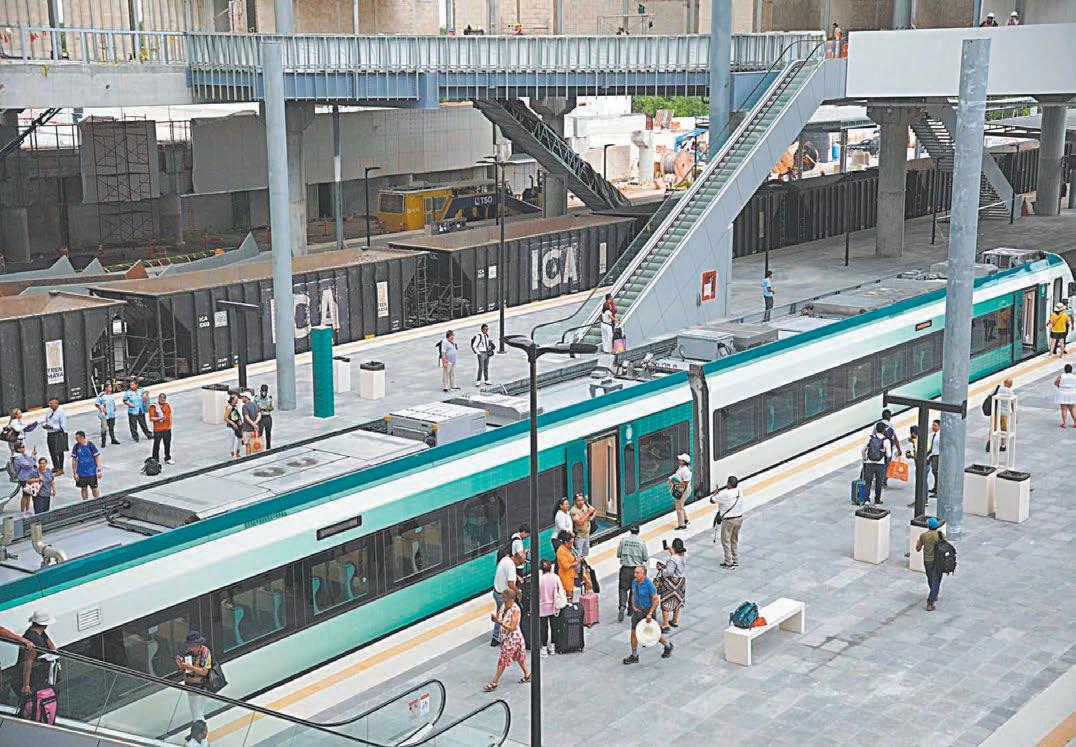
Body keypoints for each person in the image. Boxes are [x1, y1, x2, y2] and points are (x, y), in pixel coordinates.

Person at [623, 566, 673, 664]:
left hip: (647, 611)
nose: (635, 575)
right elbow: (633, 594)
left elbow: (656, 600)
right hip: (637, 611)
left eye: (637, 573)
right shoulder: (634, 582)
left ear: (644, 574)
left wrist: (650, 613)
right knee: (633, 632)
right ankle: (634, 655)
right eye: (635, 572)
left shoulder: (649, 585)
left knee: (654, 634)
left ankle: (667, 645)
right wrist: (633, 605)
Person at [482, 588, 530, 690]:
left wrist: (499, 622)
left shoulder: (515, 610)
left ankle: (494, 682)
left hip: (512, 639)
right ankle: (527, 674)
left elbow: (512, 627)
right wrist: (496, 619)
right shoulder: (504, 606)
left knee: (503, 660)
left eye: (506, 600)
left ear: (511, 600)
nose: (504, 602)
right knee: (519, 656)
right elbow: (499, 616)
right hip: (506, 638)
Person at [16, 609, 57, 707]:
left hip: (39, 675)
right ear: (45, 625)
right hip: (32, 678)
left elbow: (52, 646)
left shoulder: (39, 633)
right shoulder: (32, 639)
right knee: (31, 703)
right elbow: (28, 663)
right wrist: (26, 685)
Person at [176, 631, 212, 725]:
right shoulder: (188, 652)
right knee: (195, 712)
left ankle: (201, 731)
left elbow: (204, 671)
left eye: (191, 645)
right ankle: (200, 730)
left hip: (200, 685)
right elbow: (185, 670)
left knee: (197, 714)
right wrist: (181, 664)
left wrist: (189, 666)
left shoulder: (205, 652)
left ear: (197, 644)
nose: (189, 647)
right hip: (190, 684)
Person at [616, 523, 648, 622]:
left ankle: (622, 605)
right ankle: (630, 610)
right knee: (634, 590)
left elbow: (618, 554)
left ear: (630, 530)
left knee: (623, 589)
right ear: (638, 531)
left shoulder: (623, 541)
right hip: (636, 570)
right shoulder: (641, 543)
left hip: (625, 569)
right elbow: (645, 558)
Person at [710, 475, 745, 566]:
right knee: (734, 539)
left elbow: (712, 500)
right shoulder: (739, 491)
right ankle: (735, 559)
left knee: (725, 541)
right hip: (739, 519)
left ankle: (729, 562)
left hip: (729, 520)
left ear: (728, 484)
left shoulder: (725, 493)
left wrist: (715, 494)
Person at [491, 548, 522, 645]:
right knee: (505, 615)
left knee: (500, 612)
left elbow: (506, 571)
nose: (519, 565)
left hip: (496, 592)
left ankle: (496, 636)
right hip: (503, 596)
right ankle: (499, 637)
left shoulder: (505, 559)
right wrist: (519, 592)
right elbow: (511, 584)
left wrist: (516, 576)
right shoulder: (512, 566)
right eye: (520, 563)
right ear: (517, 559)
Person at [657, 537, 686, 632]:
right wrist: (672, 552)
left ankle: (665, 625)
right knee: (677, 601)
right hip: (681, 582)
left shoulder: (672, 559)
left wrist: (662, 569)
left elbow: (669, 572)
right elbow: (677, 560)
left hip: (671, 583)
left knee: (665, 602)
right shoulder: (683, 556)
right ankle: (675, 621)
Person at [915, 517, 945, 611]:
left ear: (928, 526)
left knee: (931, 578)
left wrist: (917, 543)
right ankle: (931, 600)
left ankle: (933, 594)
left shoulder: (923, 535)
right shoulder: (940, 535)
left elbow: (918, 549)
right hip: (938, 560)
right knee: (937, 579)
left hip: (927, 560)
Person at [537, 559, 565, 657]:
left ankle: (544, 648)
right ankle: (552, 647)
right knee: (554, 627)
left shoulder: (539, 579)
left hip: (542, 607)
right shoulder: (555, 577)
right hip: (554, 607)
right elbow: (561, 590)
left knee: (543, 629)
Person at [861, 422, 892, 505]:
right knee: (879, 482)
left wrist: (865, 458)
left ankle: (866, 500)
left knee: (868, 482)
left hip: (869, 463)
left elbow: (863, 450)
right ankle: (877, 500)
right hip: (880, 464)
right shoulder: (886, 441)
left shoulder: (870, 438)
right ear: (884, 430)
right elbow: (888, 455)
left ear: (876, 429)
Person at [69, 431, 102, 501]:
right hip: (81, 473)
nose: (76, 439)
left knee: (94, 488)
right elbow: (74, 460)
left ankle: (97, 501)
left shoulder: (90, 445)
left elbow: (97, 457)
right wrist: (75, 473)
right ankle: (85, 501)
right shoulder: (76, 447)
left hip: (91, 472)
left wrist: (99, 470)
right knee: (83, 488)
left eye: (77, 438)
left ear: (82, 437)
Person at [985, 377, 1015, 451]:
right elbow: (1012, 403)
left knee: (993, 427)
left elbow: (989, 395)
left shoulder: (997, 388)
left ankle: (989, 442)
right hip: (1005, 413)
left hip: (996, 411)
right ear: (1010, 385)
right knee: (1004, 429)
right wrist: (1014, 413)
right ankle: (1002, 445)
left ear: (1004, 382)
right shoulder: (1010, 392)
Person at [41, 399, 67, 474]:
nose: (49, 405)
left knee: (59, 451)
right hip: (50, 433)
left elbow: (63, 425)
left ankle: (61, 468)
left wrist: (53, 427)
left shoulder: (61, 412)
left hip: (58, 434)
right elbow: (46, 420)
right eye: (49, 403)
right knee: (52, 451)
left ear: (56, 404)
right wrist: (45, 425)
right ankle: (56, 466)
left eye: (51, 404)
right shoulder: (49, 411)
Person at [13, 442, 39, 515]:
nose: (24, 448)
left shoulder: (23, 455)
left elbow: (32, 462)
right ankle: (23, 511)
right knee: (25, 495)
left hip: (30, 477)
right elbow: (28, 465)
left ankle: (27, 510)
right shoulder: (18, 458)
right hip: (24, 478)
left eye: (24, 447)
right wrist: (32, 457)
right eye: (22, 447)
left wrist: (33, 455)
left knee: (29, 494)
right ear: (18, 449)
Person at [148, 393, 175, 465]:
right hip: (158, 430)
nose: (162, 400)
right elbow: (151, 418)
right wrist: (160, 418)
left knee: (167, 444)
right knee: (156, 445)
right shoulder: (153, 407)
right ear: (158, 398)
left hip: (167, 429)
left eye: (164, 399)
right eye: (161, 399)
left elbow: (169, 415)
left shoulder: (167, 405)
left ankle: (168, 458)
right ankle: (155, 459)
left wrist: (170, 425)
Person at [569, 493, 596, 559]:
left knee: (585, 553)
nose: (581, 502)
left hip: (587, 534)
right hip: (579, 536)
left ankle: (584, 563)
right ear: (575, 501)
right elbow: (579, 523)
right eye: (579, 500)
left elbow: (594, 510)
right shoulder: (573, 511)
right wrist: (588, 513)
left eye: (582, 500)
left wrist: (591, 517)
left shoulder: (585, 505)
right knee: (578, 555)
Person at [878, 410, 900, 487]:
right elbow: (895, 438)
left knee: (879, 463)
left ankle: (878, 478)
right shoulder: (890, 426)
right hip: (888, 448)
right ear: (889, 417)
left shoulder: (877, 424)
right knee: (887, 464)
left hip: (878, 447)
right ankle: (884, 480)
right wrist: (899, 449)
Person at [669, 453, 691, 529]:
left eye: (681, 460)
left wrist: (674, 481)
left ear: (684, 461)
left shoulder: (686, 471)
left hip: (683, 490)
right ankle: (685, 520)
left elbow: (685, 483)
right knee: (681, 505)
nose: (679, 460)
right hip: (681, 489)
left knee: (679, 507)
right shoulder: (681, 468)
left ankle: (682, 525)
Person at [95, 381, 120, 447]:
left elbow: (113, 402)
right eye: (109, 387)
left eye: (111, 387)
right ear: (106, 388)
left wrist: (114, 407)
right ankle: (103, 442)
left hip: (111, 413)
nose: (111, 388)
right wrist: (101, 408)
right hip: (105, 415)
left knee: (111, 427)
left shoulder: (111, 395)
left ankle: (113, 439)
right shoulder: (101, 395)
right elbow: (97, 404)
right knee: (104, 428)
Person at [555, 531, 577, 600]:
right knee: (569, 595)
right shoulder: (561, 551)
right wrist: (576, 562)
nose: (572, 544)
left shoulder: (568, 549)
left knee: (571, 593)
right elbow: (566, 566)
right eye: (571, 543)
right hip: (565, 576)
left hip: (570, 575)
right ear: (566, 542)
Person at [254, 384, 274, 450]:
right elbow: (256, 408)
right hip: (260, 418)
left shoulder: (269, 398)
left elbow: (271, 407)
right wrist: (263, 409)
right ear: (260, 391)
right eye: (262, 391)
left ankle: (268, 448)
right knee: (259, 434)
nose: (263, 393)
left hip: (267, 417)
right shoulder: (257, 398)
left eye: (265, 391)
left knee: (268, 434)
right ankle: (259, 449)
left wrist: (265, 408)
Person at [223, 394, 243, 459]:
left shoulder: (235, 406)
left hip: (238, 425)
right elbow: (225, 418)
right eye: (235, 399)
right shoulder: (229, 407)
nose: (237, 401)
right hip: (231, 426)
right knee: (232, 440)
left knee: (240, 438)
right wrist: (233, 424)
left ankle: (237, 452)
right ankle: (233, 454)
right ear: (232, 400)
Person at [927, 419, 941, 496]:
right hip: (933, 455)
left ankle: (938, 490)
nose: (933, 427)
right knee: (934, 472)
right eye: (933, 425)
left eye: (935, 425)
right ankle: (935, 488)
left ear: (939, 427)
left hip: (937, 455)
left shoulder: (940, 436)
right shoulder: (933, 435)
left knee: (936, 472)